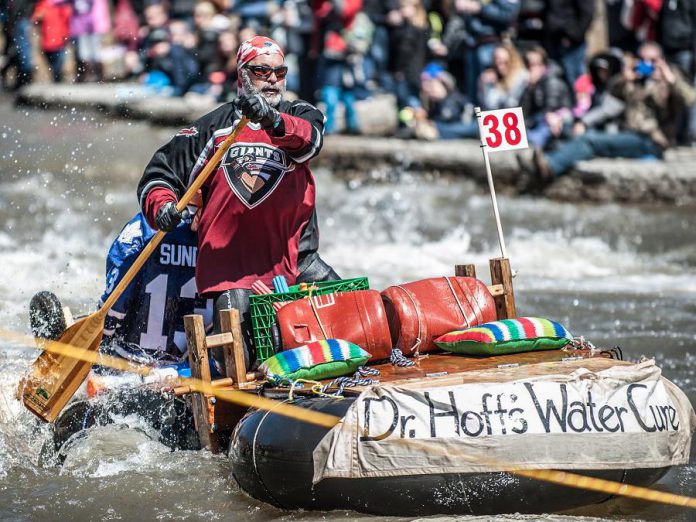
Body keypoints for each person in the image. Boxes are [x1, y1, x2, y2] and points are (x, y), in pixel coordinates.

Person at [136, 35, 338, 369]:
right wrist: (163, 207)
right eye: (261, 71)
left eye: (279, 71)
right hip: (233, 273)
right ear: (241, 76)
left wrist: (272, 121)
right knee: (243, 361)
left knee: (356, 312)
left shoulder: (300, 113)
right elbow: (159, 174)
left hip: (298, 261)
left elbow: (309, 143)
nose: (273, 79)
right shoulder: (211, 128)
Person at [527, 42, 696, 181]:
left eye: (652, 60)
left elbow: (690, 99)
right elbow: (608, 103)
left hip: (652, 141)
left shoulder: (669, 82)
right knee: (581, 137)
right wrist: (624, 78)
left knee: (590, 141)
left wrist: (670, 79)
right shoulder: (633, 83)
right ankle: (546, 165)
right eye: (642, 60)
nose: (647, 64)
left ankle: (550, 166)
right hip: (627, 136)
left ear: (661, 61)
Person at [98, 208, 213, 364]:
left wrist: (102, 337)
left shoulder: (143, 227)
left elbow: (112, 309)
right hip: (196, 370)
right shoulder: (224, 231)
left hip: (129, 366)